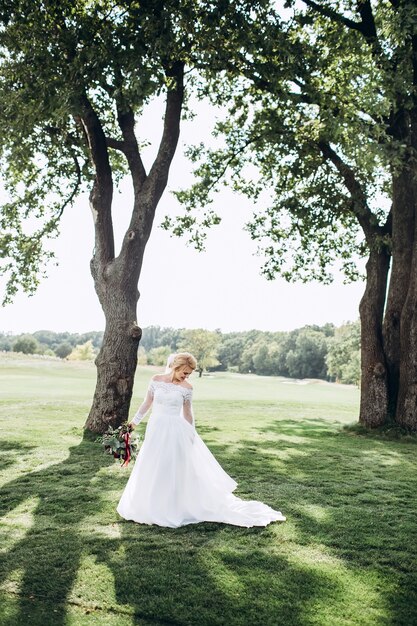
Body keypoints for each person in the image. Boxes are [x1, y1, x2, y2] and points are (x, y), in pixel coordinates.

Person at [116, 352, 285, 528]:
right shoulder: (156, 380)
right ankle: (146, 504)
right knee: (151, 463)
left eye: (189, 374)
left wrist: (191, 435)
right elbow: (147, 403)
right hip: (156, 428)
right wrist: (132, 424)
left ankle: (171, 507)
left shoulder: (187, 388)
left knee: (170, 465)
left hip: (175, 431)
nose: (186, 376)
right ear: (176, 367)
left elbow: (188, 414)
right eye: (185, 372)